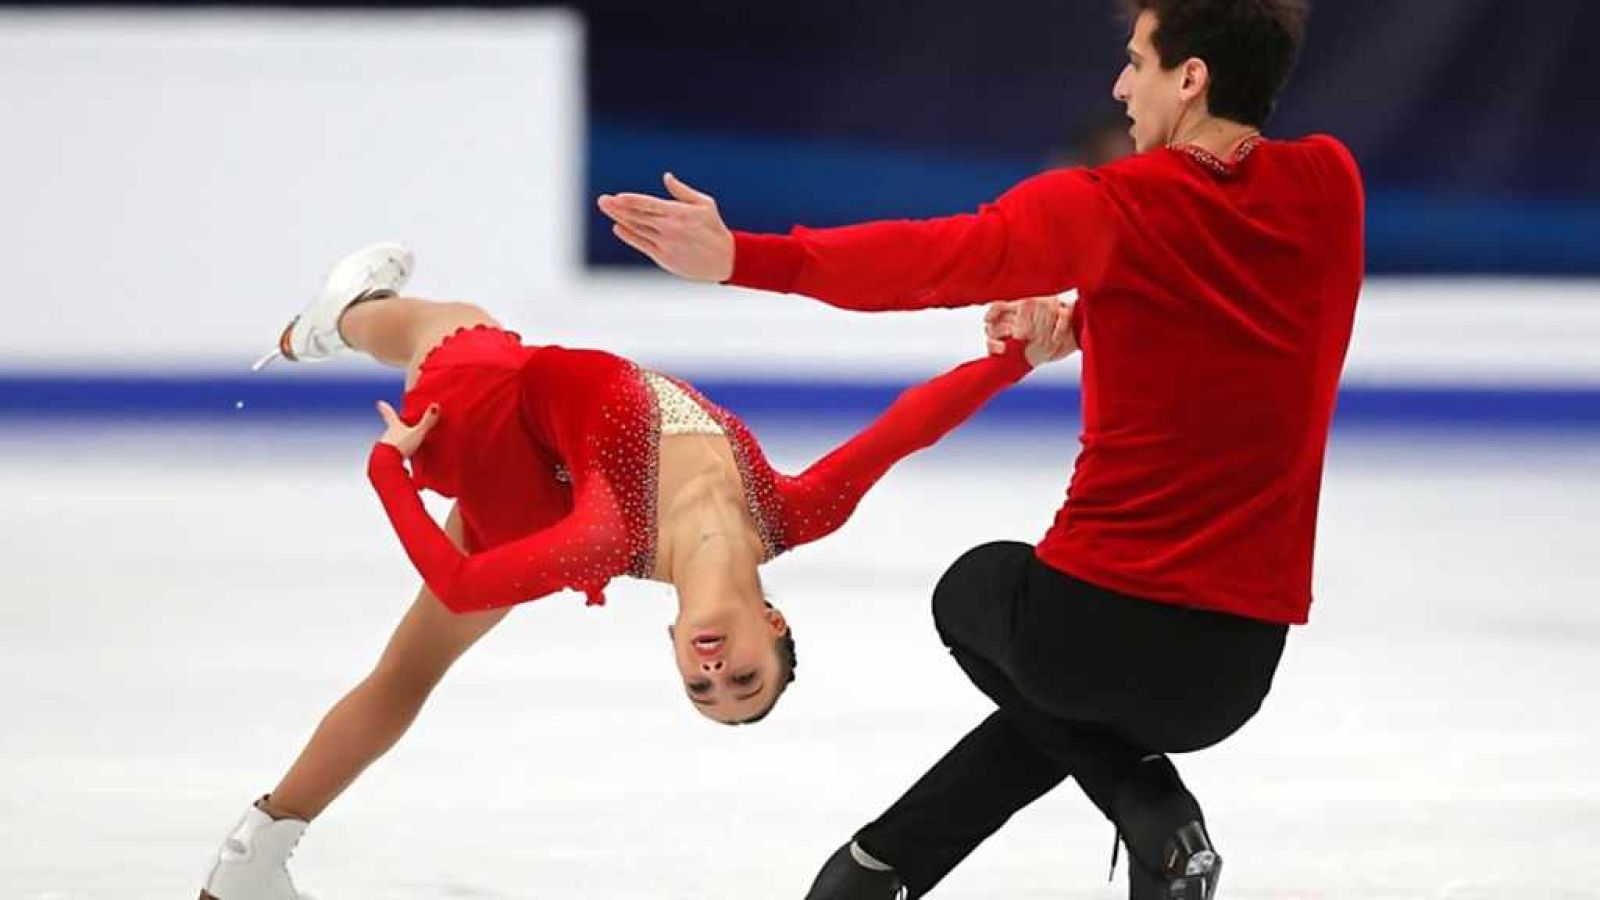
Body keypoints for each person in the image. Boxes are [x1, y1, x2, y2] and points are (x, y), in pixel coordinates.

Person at [596, 0, 1360, 896]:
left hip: (1089, 626)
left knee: (972, 592)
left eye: (1137, 61)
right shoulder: (1330, 184)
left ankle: (1145, 805)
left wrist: (744, 259)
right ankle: (880, 870)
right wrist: (1092, 319)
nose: (1121, 84)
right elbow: (1233, 303)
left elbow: (930, 261)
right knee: (1062, 698)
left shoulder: (1106, 204)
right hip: (1233, 672)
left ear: (1189, 78)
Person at [197, 244, 1076, 899]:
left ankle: (339, 317)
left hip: (487, 406)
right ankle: (257, 854)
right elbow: (908, 427)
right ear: (775, 628)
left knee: (447, 321)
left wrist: (389, 472)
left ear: (672, 649)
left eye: (701, 686)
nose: (710, 667)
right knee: (406, 674)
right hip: (534, 474)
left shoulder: (607, 538)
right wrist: (1015, 359)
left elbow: (467, 586)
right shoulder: (794, 511)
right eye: (739, 677)